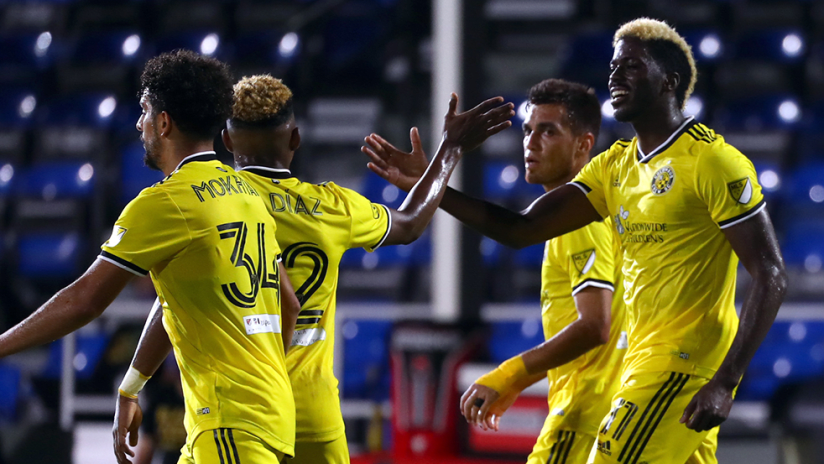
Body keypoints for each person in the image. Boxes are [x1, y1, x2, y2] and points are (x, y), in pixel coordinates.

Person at [363, 18, 787, 464]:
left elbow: (771, 274)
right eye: (613, 65)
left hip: (681, 362)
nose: (614, 76)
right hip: (640, 363)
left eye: (632, 67)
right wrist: (434, 182)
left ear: (670, 82)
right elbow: (519, 228)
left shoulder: (713, 161)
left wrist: (727, 379)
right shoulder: (615, 167)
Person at [112, 75, 516, 464]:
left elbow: (173, 301)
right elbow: (410, 222)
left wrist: (132, 386)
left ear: (228, 140)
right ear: (295, 138)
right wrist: (449, 151)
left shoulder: (213, 205)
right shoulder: (332, 206)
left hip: (245, 409)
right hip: (314, 412)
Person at [0, 49, 304, 464]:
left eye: (144, 110)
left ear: (163, 123)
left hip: (228, 423)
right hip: (259, 417)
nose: (139, 123)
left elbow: (84, 300)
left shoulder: (165, 203)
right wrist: (131, 387)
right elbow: (287, 303)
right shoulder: (248, 194)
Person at [366, 79, 626, 463]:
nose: (531, 143)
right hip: (601, 414)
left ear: (584, 145)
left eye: (548, 131)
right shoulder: (575, 215)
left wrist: (509, 376)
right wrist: (431, 184)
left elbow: (595, 326)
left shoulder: (580, 222)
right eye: (527, 130)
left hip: (584, 418)